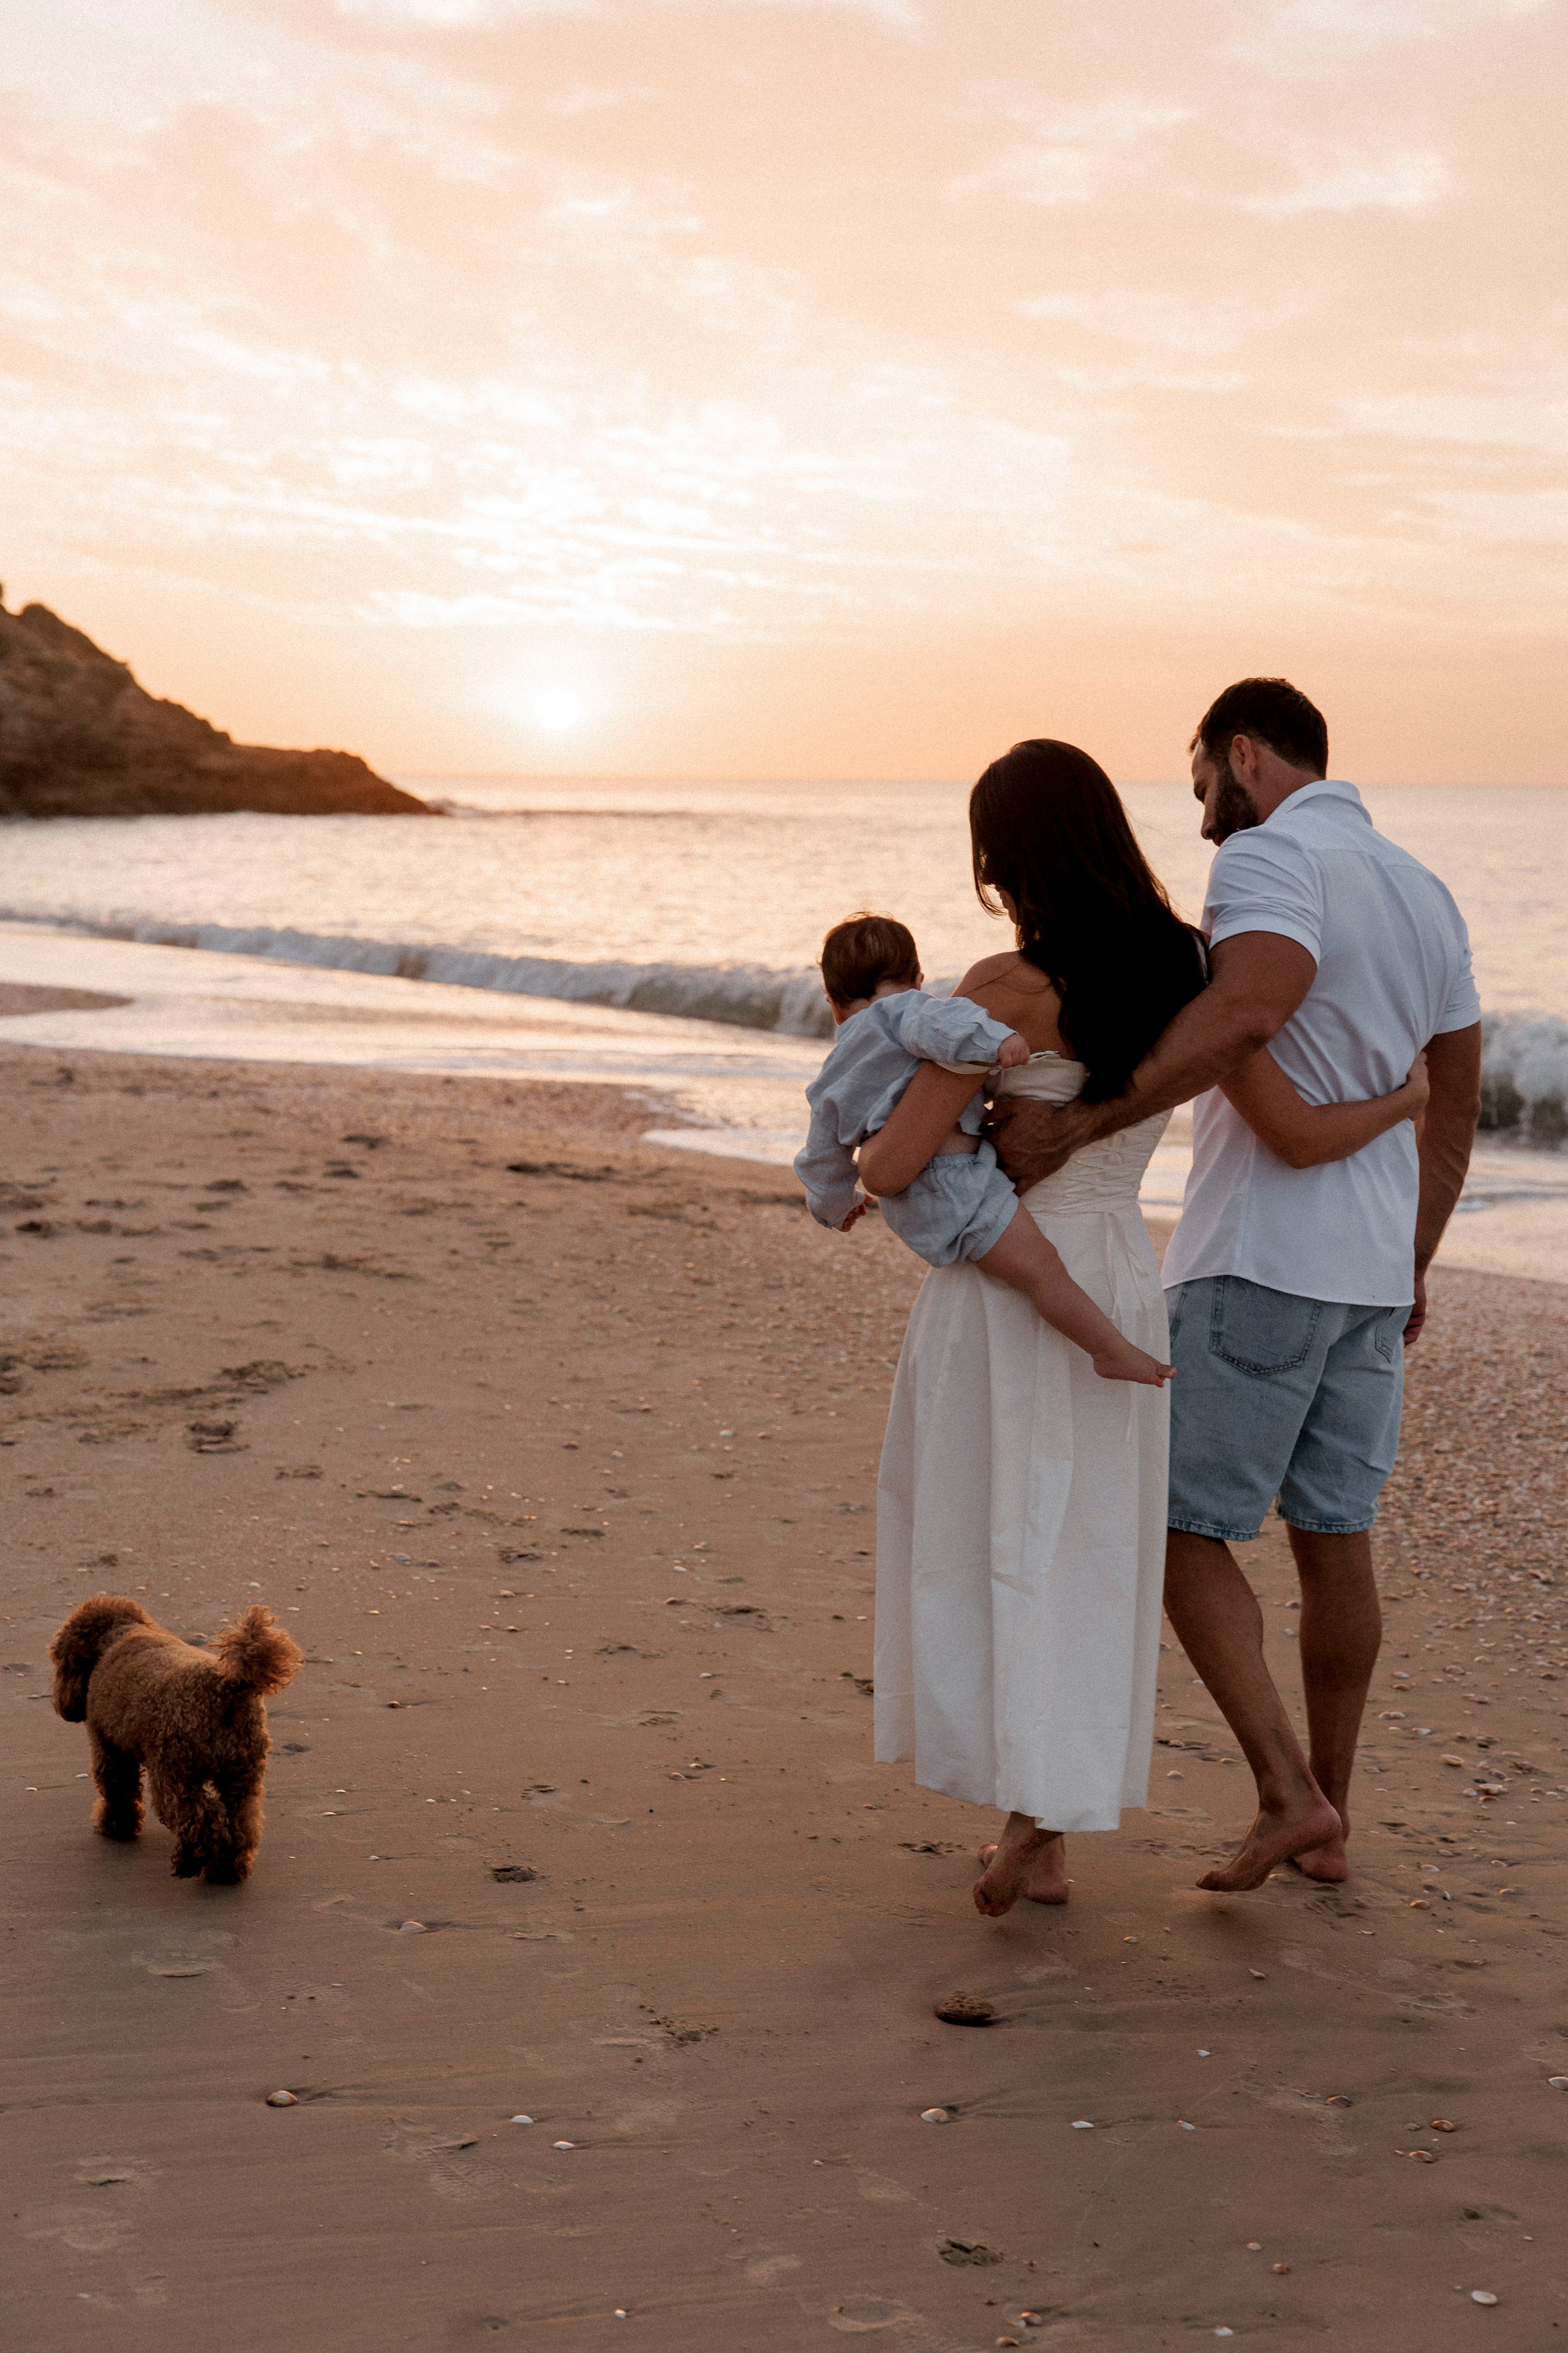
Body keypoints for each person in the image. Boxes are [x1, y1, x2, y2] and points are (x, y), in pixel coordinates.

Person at [856, 739, 1427, 1916]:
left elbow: (903, 1160)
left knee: (991, 1536)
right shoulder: (1187, 972)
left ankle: (1041, 1826)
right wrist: (1411, 1099)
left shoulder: (1001, 989)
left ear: (1005, 857)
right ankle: (1049, 1828)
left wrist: (857, 1145)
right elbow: (1289, 1123)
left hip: (1004, 1292)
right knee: (1083, 1547)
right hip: (1118, 1272)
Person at [986, 681, 1483, 1894]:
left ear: (1244, 755)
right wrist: (1409, 1258)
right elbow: (1453, 1095)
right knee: (1333, 1539)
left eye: (1201, 771)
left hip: (1257, 1260)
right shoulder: (1426, 892)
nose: (1199, 799)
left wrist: (1085, 1117)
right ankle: (1330, 1817)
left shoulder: (1265, 863)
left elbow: (1247, 1016)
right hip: (1366, 1274)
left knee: (1173, 1525)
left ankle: (1284, 1793)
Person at [795, 912, 1172, 1386]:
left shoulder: (830, 1075)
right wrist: (1002, 1042)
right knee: (1044, 1271)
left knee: (1011, 1275)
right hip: (956, 1181)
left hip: (912, 1206)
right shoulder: (908, 1012)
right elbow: (949, 1026)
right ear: (917, 979)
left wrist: (835, 1206)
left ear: (832, 1003)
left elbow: (820, 1158)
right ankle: (1109, 1350)